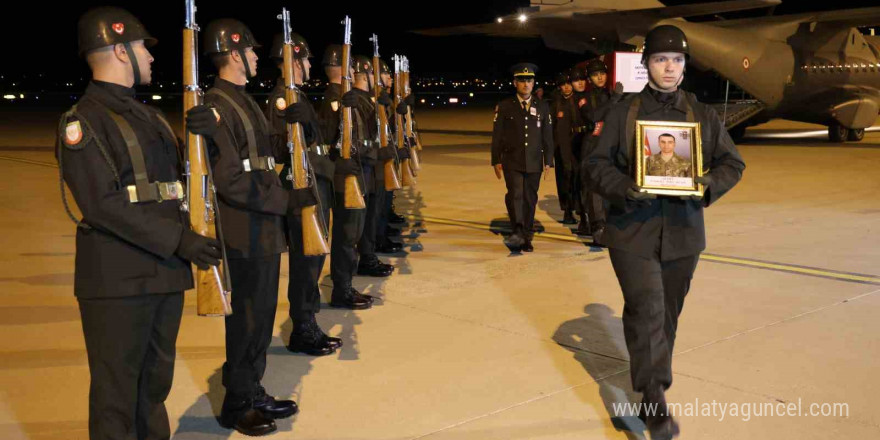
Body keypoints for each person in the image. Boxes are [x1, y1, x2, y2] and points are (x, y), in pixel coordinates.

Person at [59, 7, 216, 439]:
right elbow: (102, 204)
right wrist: (179, 241)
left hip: (162, 273)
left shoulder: (148, 116)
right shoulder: (82, 121)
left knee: (153, 390)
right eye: (143, 47)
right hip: (118, 280)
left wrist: (206, 136)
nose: (150, 56)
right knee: (116, 397)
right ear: (119, 50)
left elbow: (179, 181)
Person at [586, 24, 745, 439]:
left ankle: (649, 386)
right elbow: (594, 166)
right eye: (660, 59)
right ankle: (655, 400)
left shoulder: (702, 115)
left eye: (677, 60)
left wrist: (706, 185)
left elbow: (733, 165)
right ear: (647, 64)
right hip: (631, 232)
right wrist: (624, 188)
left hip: (683, 232)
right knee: (647, 307)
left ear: (685, 66)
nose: (669, 68)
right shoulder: (622, 113)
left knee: (665, 316)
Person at [186, 18, 300, 436]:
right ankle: (236, 404)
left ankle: (252, 389)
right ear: (234, 55)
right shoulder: (215, 106)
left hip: (263, 226)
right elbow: (230, 181)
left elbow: (264, 158)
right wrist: (286, 202)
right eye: (251, 52)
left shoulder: (245, 101)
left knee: (263, 317)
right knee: (247, 321)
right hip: (244, 229)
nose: (256, 58)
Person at [265, 33, 342, 356]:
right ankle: (303, 327)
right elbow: (279, 149)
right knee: (306, 261)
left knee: (314, 257)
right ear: (294, 62)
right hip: (301, 188)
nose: (310, 65)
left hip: (316, 183)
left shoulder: (301, 98)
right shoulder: (281, 99)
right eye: (306, 59)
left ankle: (308, 319)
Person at [317, 45, 375, 309]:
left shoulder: (346, 99)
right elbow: (329, 143)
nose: (354, 72)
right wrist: (341, 164)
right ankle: (342, 289)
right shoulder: (332, 101)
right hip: (343, 181)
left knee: (351, 235)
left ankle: (346, 285)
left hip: (355, 174)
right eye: (350, 67)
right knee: (346, 236)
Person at [490, 62, 554, 253]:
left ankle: (526, 234)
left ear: (534, 83)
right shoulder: (504, 106)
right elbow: (497, 135)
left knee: (530, 198)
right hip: (512, 160)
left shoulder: (542, 107)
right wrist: (496, 159)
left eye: (529, 80)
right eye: (522, 81)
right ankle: (517, 230)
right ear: (515, 83)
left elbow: (547, 137)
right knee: (516, 194)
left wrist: (548, 161)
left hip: (534, 161)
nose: (526, 84)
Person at [580, 58, 624, 244]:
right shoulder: (585, 98)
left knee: (612, 184)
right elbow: (593, 116)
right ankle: (597, 225)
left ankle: (609, 224)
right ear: (590, 78)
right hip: (593, 144)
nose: (600, 77)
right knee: (595, 187)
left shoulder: (613, 93)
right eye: (595, 75)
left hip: (613, 144)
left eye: (602, 73)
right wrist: (614, 99)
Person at [551, 69, 577, 225]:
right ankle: (567, 210)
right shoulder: (555, 104)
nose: (567, 87)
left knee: (577, 180)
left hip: (577, 147)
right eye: (563, 85)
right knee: (564, 180)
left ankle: (579, 209)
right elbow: (551, 128)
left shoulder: (580, 100)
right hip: (561, 149)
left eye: (569, 84)